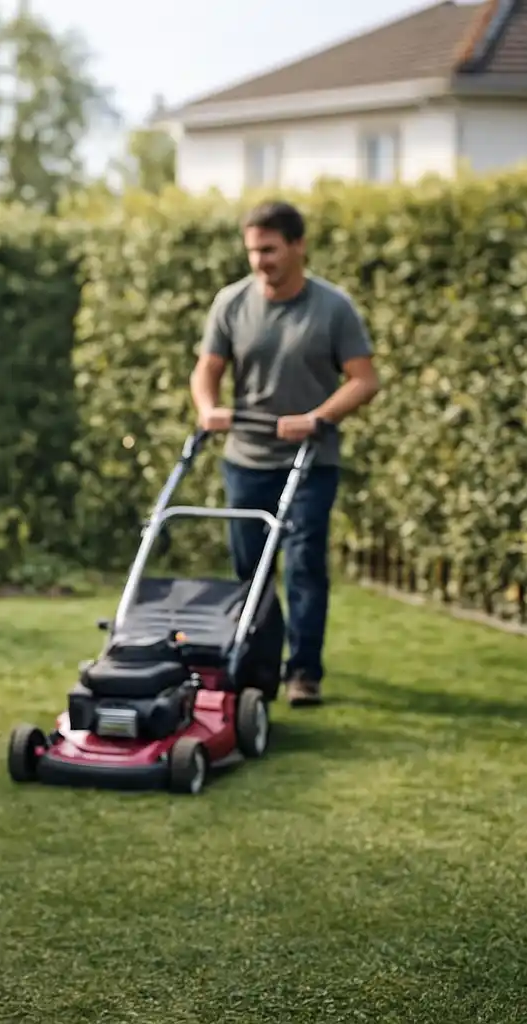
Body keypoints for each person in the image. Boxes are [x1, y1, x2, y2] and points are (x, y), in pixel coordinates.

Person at [189, 199, 380, 708]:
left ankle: (304, 673)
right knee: (251, 571)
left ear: (298, 246)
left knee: (302, 564)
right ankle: (257, 667)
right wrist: (208, 408)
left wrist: (319, 417)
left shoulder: (333, 307)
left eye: (270, 250)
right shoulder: (231, 303)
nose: (260, 262)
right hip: (246, 457)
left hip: (311, 462)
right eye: (253, 251)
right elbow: (207, 370)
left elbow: (364, 380)